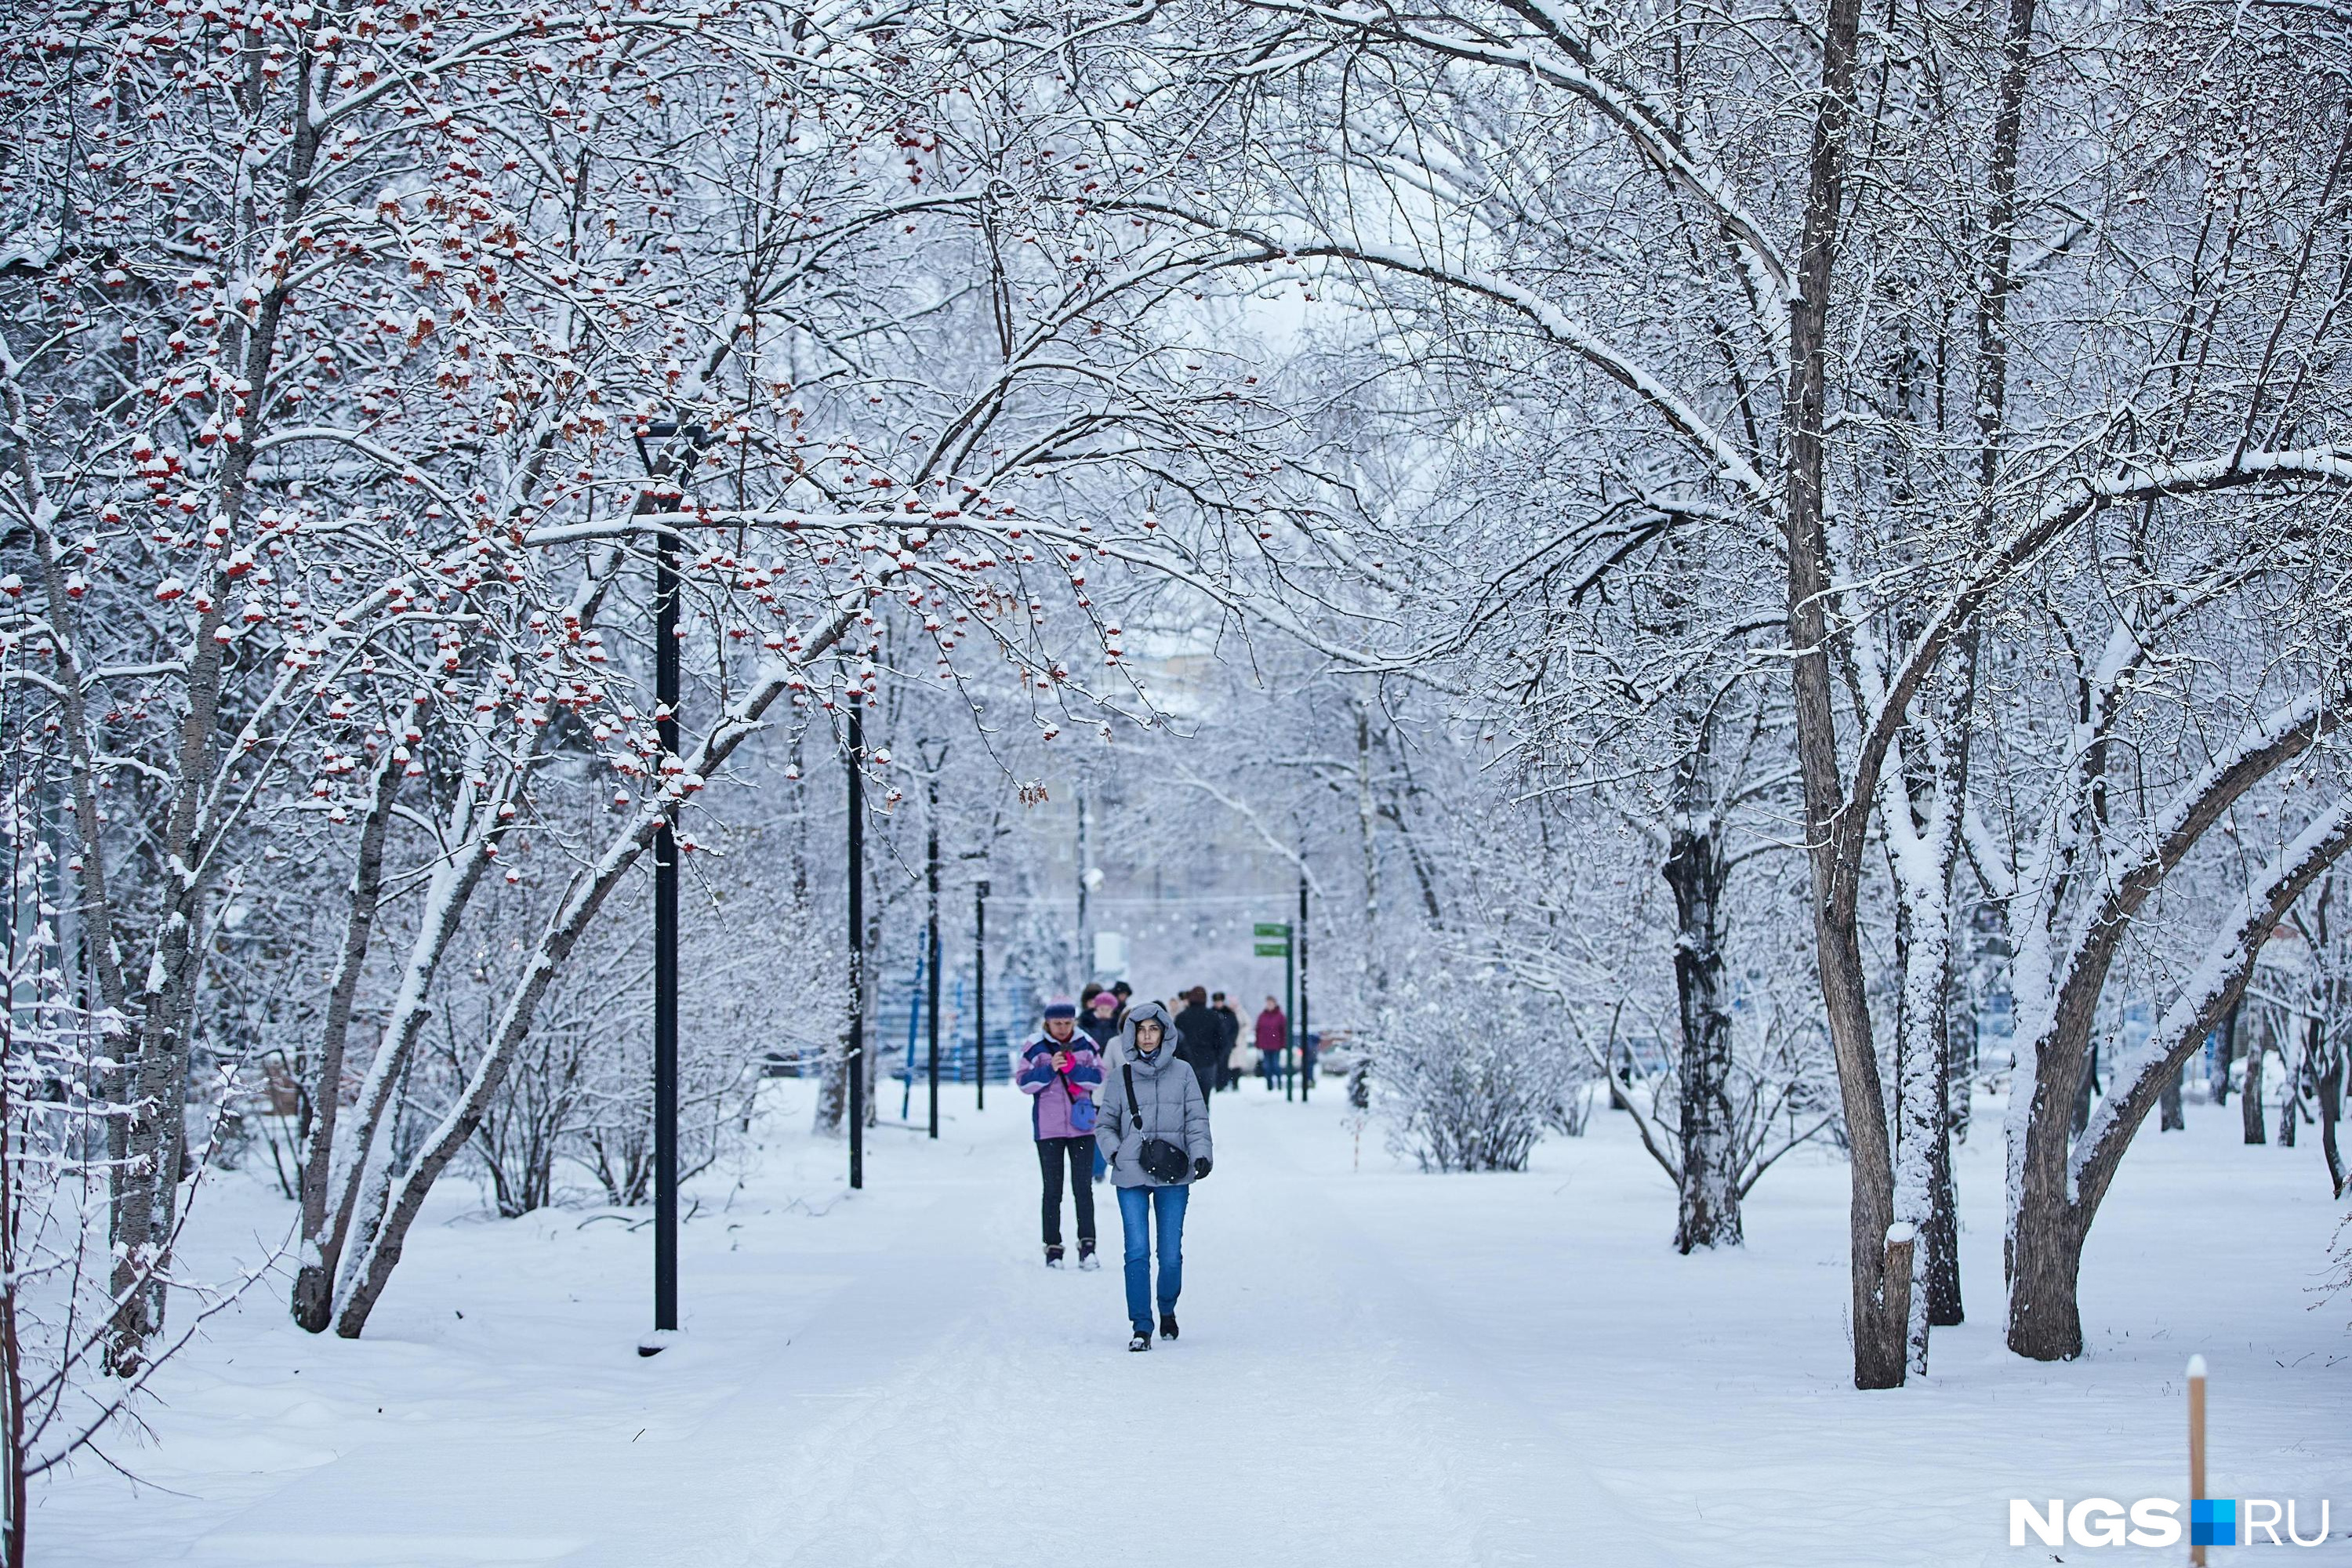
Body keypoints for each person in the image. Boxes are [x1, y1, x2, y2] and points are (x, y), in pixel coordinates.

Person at [1093, 1000, 1211, 1350]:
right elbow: (1104, 1125)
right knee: (1137, 1251)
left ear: (1164, 1032)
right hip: (1131, 1173)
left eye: (1153, 1029)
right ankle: (1141, 1326)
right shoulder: (1120, 1076)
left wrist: (1202, 1154)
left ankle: (1167, 1309)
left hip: (1175, 1173)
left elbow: (1197, 1120)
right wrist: (1115, 1153)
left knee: (1171, 1253)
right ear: (1131, 1033)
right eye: (1141, 1029)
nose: (1147, 1036)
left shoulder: (1185, 1073)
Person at [1016, 997, 1103, 1269]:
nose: (1063, 1028)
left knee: (1083, 1188)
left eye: (1067, 1023)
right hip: (1049, 1127)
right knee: (1052, 1189)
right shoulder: (1035, 1046)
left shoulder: (1086, 1044)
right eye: (1057, 1023)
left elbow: (1098, 1077)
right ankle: (1053, 1249)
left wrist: (1074, 1069)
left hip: (1082, 1126)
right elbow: (1023, 1082)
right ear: (1048, 1022)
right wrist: (1048, 1069)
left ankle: (1087, 1247)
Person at [1172, 986, 1224, 1104]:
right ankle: (1204, 1119)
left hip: (1186, 1063)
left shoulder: (1181, 1017)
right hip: (1208, 1062)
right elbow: (1222, 1041)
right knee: (1204, 1100)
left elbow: (1175, 1041)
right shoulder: (1214, 1016)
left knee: (1187, 1100)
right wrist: (1216, 1057)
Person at [1211, 990, 1243, 1091]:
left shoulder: (1229, 1014)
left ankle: (1223, 1083)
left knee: (1224, 1064)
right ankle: (1217, 1084)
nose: (1218, 1003)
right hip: (1214, 1044)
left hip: (1226, 1043)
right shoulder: (1211, 1013)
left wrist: (1231, 1040)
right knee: (1216, 1065)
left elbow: (1235, 1028)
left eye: (1220, 1001)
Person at [1256, 996, 1287, 1091]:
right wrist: (1258, 1043)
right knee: (1267, 1066)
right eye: (1267, 1003)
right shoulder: (1262, 1016)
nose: (1269, 1005)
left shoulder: (1280, 1016)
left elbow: (1284, 1031)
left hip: (1276, 1045)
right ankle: (1269, 1085)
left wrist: (1283, 1044)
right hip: (1265, 1046)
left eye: (1271, 1003)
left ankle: (1279, 1084)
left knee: (1275, 1065)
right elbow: (1258, 1030)